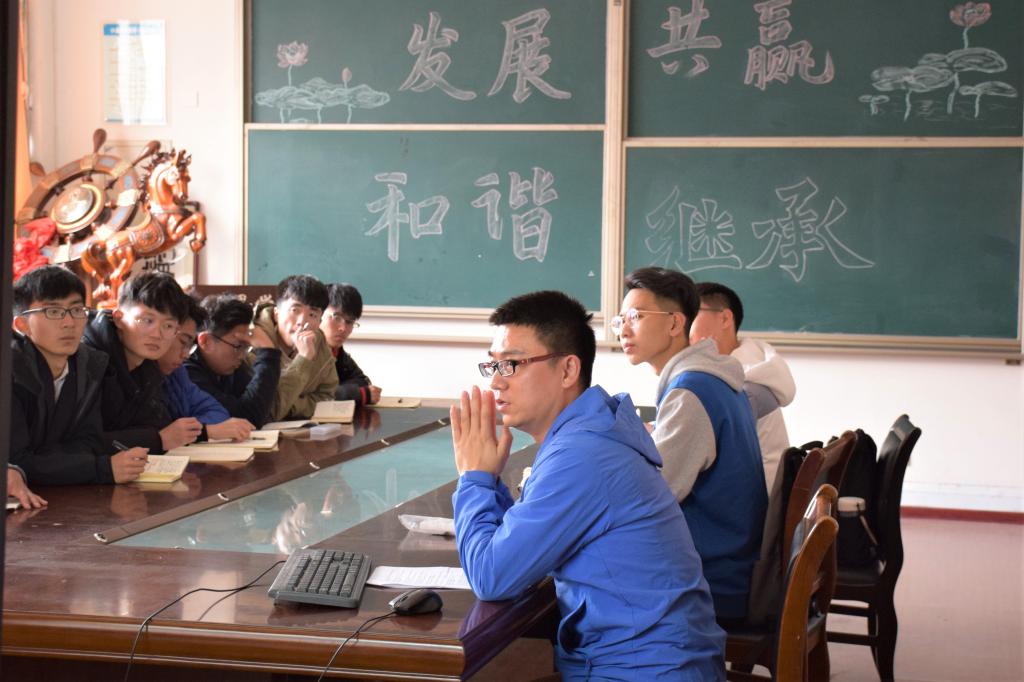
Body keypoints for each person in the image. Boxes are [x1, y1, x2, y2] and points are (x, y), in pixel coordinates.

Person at [451, 290, 724, 680]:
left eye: (511, 364)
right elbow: (519, 545)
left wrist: (475, 477)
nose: (496, 382)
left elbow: (491, 577)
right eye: (492, 365)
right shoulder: (588, 433)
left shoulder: (581, 454)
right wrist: (488, 480)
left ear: (567, 370)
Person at [618, 267, 767, 624]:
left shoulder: (691, 391)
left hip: (711, 578)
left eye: (636, 317)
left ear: (675, 323)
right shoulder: (709, 379)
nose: (623, 330)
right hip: (730, 560)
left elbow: (651, 497)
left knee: (580, 575)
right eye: (619, 320)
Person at [11, 265, 148, 486]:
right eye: (53, 311)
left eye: (76, 310)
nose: (69, 323)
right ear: (22, 325)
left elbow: (89, 442)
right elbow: (16, 462)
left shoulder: (89, 365)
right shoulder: (10, 371)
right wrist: (100, 468)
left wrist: (54, 462)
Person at [690, 281, 796, 491]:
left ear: (724, 318)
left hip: (754, 502)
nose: (683, 323)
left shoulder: (743, 386)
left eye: (692, 313)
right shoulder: (750, 367)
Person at [82, 271, 200, 452]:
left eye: (168, 326)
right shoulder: (87, 360)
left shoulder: (148, 367)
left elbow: (156, 424)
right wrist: (156, 439)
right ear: (119, 318)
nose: (157, 334)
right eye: (147, 320)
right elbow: (80, 443)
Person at [157, 296, 254, 442]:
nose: (185, 354)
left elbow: (219, 413)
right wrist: (204, 431)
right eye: (183, 342)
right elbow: (155, 432)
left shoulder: (178, 372)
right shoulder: (188, 369)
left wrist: (199, 430)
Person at [185, 293, 281, 427]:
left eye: (246, 347)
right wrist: (267, 353)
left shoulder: (228, 366)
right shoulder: (188, 372)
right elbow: (248, 418)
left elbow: (263, 412)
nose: (242, 356)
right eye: (238, 346)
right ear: (205, 341)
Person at [253, 275, 338, 420]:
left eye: (312, 314)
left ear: (319, 322)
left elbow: (327, 396)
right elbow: (270, 410)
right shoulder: (253, 340)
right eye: (295, 310)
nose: (302, 322)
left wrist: (291, 407)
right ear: (276, 314)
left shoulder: (318, 341)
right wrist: (303, 358)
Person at [320, 283, 381, 406]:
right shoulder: (304, 349)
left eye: (349, 322)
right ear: (318, 314)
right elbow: (309, 395)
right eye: (336, 317)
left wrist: (342, 392)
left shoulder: (337, 352)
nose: (343, 328)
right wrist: (356, 394)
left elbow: (363, 382)